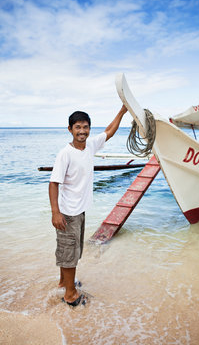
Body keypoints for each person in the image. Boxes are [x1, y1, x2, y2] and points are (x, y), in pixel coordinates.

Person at [49, 105, 128, 306]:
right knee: (70, 254)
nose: (82, 131)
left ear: (89, 129)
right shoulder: (65, 153)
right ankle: (70, 294)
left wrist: (122, 111)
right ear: (70, 129)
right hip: (67, 213)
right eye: (78, 127)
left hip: (79, 211)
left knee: (69, 251)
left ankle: (63, 283)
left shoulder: (90, 146)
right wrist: (55, 213)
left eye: (85, 127)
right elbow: (53, 183)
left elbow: (109, 131)